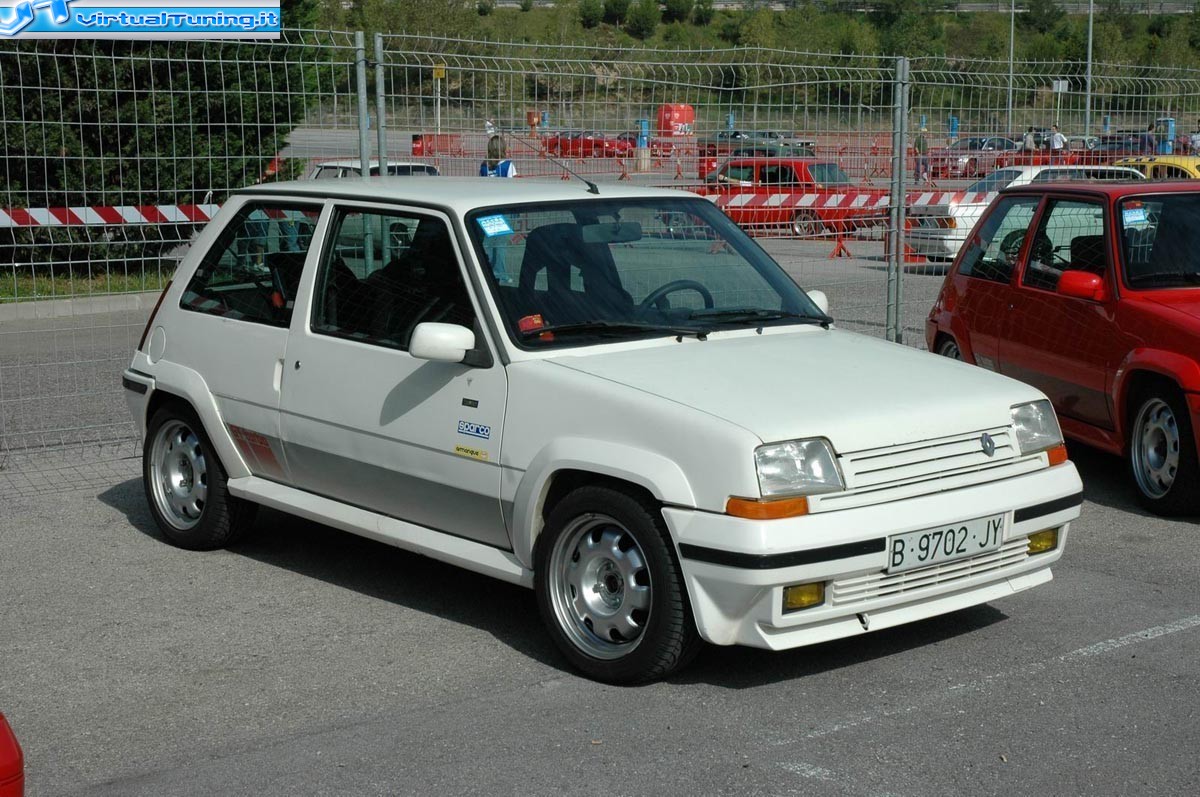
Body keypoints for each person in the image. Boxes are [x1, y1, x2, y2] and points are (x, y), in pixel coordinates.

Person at [479, 135, 516, 283]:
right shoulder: (508, 165)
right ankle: (500, 272)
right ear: (503, 148)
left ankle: (485, 271)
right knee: (500, 245)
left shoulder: (484, 165)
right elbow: (513, 187)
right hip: (502, 208)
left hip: (487, 208)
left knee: (488, 243)